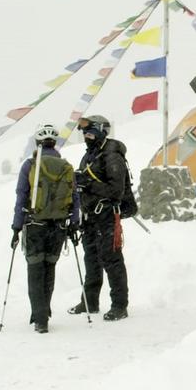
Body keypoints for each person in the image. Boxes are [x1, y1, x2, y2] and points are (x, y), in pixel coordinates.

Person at [11, 124, 80, 334]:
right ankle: (45, 311)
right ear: (54, 143)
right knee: (50, 269)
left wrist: (16, 227)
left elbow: (22, 196)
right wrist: (74, 224)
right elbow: (74, 197)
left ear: (37, 143)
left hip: (35, 226)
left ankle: (39, 317)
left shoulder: (30, 165)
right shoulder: (65, 166)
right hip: (58, 226)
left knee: (35, 270)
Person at [68, 115, 131, 322]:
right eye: (83, 132)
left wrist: (88, 183)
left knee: (111, 259)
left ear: (101, 131)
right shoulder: (89, 156)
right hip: (89, 217)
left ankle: (120, 305)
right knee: (91, 259)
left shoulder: (112, 156)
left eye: (89, 131)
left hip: (107, 215)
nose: (85, 136)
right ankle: (90, 301)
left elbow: (116, 191)